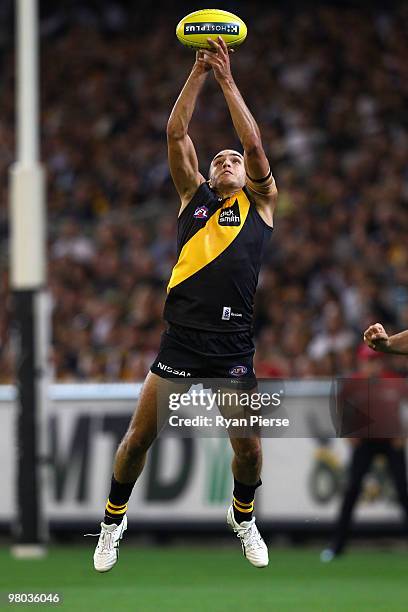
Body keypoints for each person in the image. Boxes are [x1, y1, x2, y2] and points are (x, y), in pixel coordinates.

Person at [92, 37, 278, 572]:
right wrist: (198, 71)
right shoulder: (193, 198)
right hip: (181, 339)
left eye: (234, 160)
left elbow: (258, 146)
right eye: (219, 159)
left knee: (250, 451)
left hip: (232, 345)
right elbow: (176, 133)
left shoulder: (261, 204)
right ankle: (111, 522)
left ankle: (243, 517)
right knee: (136, 441)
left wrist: (226, 78)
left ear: (248, 176)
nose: (226, 160)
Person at [321, 344, 408, 561]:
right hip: (365, 443)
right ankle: (337, 545)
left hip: (390, 440)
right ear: (361, 362)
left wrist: (402, 434)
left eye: (376, 361)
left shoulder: (393, 381)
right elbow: (338, 408)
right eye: (369, 361)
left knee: (402, 491)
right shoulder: (353, 385)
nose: (373, 366)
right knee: (351, 490)